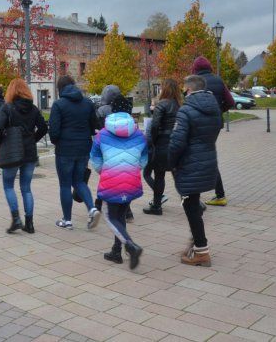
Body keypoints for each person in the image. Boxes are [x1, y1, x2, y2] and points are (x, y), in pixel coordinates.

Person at [169, 75, 222, 266]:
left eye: (184, 89)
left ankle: (201, 250)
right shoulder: (214, 108)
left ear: (189, 90)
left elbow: (177, 142)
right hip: (208, 160)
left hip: (189, 164)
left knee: (190, 206)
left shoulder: (187, 110)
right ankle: (197, 242)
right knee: (192, 203)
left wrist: (170, 162)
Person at [90, 95, 147, 270]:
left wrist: (106, 172)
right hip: (131, 180)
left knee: (109, 216)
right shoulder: (139, 134)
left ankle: (130, 245)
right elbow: (144, 159)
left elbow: (95, 159)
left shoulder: (103, 135)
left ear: (112, 109)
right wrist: (132, 171)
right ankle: (116, 251)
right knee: (120, 214)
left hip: (111, 181)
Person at [0, 78, 48, 234]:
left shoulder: (7, 108)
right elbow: (44, 128)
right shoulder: (33, 109)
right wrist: (33, 139)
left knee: (8, 185)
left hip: (12, 151)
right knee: (26, 188)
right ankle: (29, 224)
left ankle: (16, 219)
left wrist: (0, 143)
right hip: (29, 152)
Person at [49, 75, 100, 230]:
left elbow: (54, 132)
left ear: (60, 89)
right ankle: (92, 208)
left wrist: (57, 142)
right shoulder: (87, 103)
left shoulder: (59, 105)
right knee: (79, 181)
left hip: (65, 149)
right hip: (84, 148)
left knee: (65, 184)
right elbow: (94, 127)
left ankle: (67, 220)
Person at [192, 56, 235, 206]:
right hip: (215, 124)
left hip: (198, 124)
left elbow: (190, 103)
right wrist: (218, 111)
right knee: (206, 155)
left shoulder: (196, 82)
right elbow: (230, 102)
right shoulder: (218, 80)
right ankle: (219, 195)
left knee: (198, 157)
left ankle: (199, 197)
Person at [143, 79, 183, 215]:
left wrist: (153, 141)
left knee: (159, 175)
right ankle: (194, 202)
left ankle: (156, 206)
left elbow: (154, 126)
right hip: (178, 142)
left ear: (164, 89)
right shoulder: (181, 105)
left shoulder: (161, 105)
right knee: (178, 175)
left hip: (163, 142)